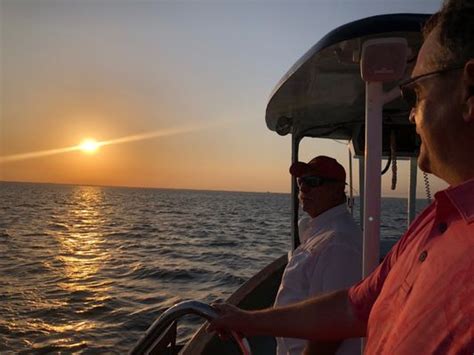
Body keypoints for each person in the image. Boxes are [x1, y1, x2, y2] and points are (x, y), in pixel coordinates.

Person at [207, 0, 474, 353]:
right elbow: (353, 305)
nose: (410, 115)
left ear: (469, 91)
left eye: (416, 92)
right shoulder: (431, 223)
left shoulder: (340, 243)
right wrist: (247, 320)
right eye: (301, 182)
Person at [275, 156, 362, 355]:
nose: (303, 189)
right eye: (301, 182)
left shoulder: (339, 243)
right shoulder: (322, 232)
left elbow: (334, 326)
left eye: (313, 182)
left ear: (337, 190)